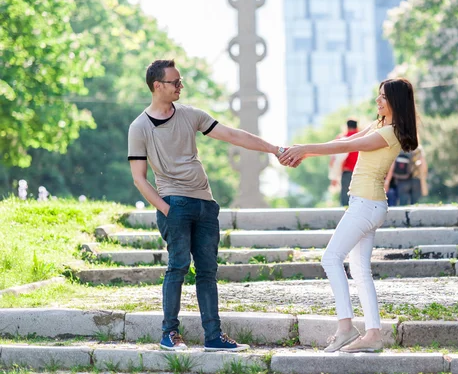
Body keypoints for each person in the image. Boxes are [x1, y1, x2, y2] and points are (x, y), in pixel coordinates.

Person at [128, 59, 286, 351]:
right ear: (157, 86)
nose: (180, 86)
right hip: (174, 204)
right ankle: (169, 334)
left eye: (180, 81)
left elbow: (233, 135)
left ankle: (214, 337)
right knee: (177, 267)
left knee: (208, 272)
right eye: (175, 82)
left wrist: (274, 149)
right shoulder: (139, 127)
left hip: (205, 205)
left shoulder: (191, 115)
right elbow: (140, 179)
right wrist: (167, 209)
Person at [279, 78, 419, 353]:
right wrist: (306, 152)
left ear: (395, 103)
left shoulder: (389, 132)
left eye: (383, 97)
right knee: (359, 271)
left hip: (366, 205)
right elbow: (346, 140)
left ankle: (346, 328)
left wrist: (305, 148)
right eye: (378, 96)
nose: (377, 101)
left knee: (330, 258)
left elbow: (348, 148)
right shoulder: (380, 124)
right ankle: (374, 335)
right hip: (368, 204)